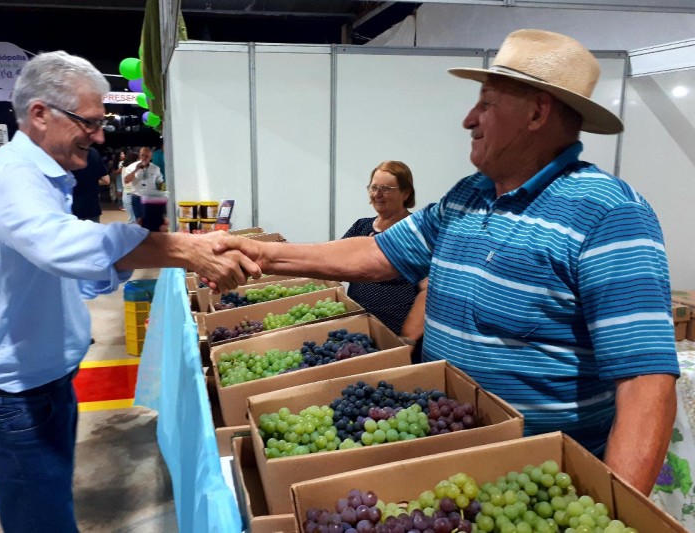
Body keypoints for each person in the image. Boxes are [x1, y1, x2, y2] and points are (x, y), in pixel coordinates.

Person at [212, 29, 679, 496]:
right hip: (442, 469)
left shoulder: (609, 215)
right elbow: (377, 253)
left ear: (538, 112)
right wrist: (263, 253)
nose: (468, 119)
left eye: (487, 103)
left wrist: (617, 514)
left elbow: (645, 384)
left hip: (531, 494)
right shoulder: (467, 198)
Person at [0, 50, 259, 533]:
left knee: (52, 508)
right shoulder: (12, 177)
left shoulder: (41, 179)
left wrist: (147, 252)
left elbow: (73, 274)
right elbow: (63, 248)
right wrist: (177, 248)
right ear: (40, 114)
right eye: (90, 122)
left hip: (47, 386)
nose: (99, 137)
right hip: (17, 399)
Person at [341, 160, 427, 353]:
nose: (377, 194)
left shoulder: (417, 232)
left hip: (395, 336)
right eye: (374, 188)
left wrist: (407, 339)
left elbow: (428, 291)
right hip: (358, 330)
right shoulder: (361, 226)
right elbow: (336, 264)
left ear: (406, 193)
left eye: (386, 188)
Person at [123, 146, 163, 224]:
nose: (144, 158)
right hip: (137, 198)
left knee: (151, 220)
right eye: (142, 155)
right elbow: (126, 180)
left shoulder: (155, 168)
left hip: (151, 198)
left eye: (146, 156)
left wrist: (160, 195)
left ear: (150, 157)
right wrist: (136, 170)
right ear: (139, 155)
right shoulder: (131, 167)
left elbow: (160, 182)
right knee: (139, 221)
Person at [71, 146, 110, 223]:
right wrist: (92, 180)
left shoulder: (68, 153)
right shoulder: (94, 152)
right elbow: (106, 180)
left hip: (74, 209)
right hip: (93, 207)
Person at [121, 149, 139, 220]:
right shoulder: (132, 169)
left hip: (126, 193)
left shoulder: (124, 167)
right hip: (131, 194)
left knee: (132, 218)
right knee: (134, 219)